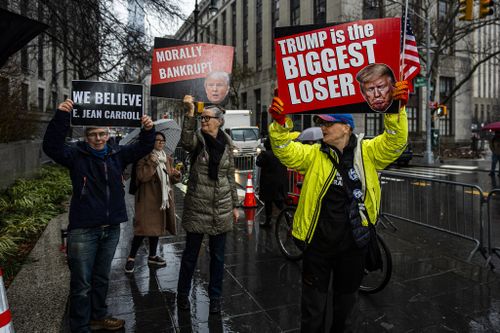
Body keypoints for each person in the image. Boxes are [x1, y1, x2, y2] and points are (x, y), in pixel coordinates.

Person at [267, 81, 409, 332]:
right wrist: (280, 125)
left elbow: (395, 142)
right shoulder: (312, 155)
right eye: (321, 123)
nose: (322, 127)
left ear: (346, 127)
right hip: (316, 250)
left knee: (346, 312)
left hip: (353, 249)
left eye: (328, 123)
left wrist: (395, 111)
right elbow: (284, 151)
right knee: (312, 312)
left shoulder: (368, 152)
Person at [43, 99, 155, 333]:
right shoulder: (75, 155)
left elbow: (144, 147)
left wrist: (148, 129)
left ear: (108, 133)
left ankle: (98, 316)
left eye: (102, 133)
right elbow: (51, 147)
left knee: (102, 277)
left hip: (111, 227)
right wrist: (62, 116)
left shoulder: (118, 154)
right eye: (93, 134)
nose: (98, 138)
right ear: (86, 136)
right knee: (82, 283)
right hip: (84, 229)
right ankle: (80, 326)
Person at [176, 95, 239, 314]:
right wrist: (190, 113)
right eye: (202, 118)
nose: (204, 121)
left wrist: (235, 205)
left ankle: (215, 298)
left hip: (220, 209)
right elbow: (185, 141)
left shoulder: (227, 145)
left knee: (218, 258)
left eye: (207, 118)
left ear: (219, 121)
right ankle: (182, 295)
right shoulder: (197, 141)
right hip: (198, 207)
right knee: (190, 256)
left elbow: (230, 177)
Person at [124, 132, 182, 273]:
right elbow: (142, 177)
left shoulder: (166, 157)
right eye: (158, 140)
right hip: (147, 200)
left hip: (162, 199)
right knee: (142, 230)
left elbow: (169, 179)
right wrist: (152, 162)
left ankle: (152, 256)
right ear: (152, 141)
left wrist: (176, 175)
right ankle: (131, 258)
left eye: (163, 140)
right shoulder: (143, 157)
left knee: (156, 229)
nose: (161, 143)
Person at [256, 137, 288, 227]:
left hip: (269, 183)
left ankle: (268, 221)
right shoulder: (281, 153)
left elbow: (258, 162)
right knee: (280, 202)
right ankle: (288, 218)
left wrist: (260, 154)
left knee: (268, 202)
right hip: (281, 182)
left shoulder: (266, 154)